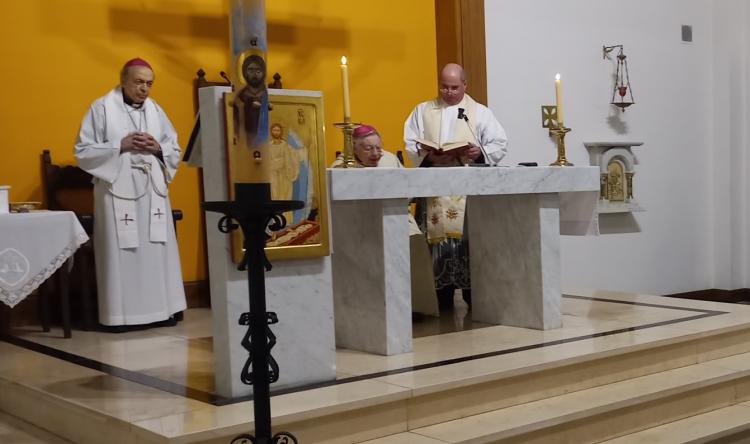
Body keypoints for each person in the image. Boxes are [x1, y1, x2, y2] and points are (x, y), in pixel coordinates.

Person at [74, 58, 186, 329]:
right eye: (138, 82)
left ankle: (162, 310)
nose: (144, 88)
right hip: (117, 191)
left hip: (152, 192)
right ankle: (121, 316)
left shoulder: (156, 110)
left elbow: (174, 148)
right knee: (123, 251)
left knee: (156, 247)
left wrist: (158, 148)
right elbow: (83, 151)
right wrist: (119, 146)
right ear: (123, 80)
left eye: (149, 83)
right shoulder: (101, 108)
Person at [404, 63, 508, 310]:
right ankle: (440, 299)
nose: (448, 92)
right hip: (434, 191)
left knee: (467, 244)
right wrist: (429, 156)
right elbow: (411, 143)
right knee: (437, 245)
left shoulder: (479, 112)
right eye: (443, 86)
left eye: (454, 87)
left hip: (467, 191)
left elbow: (500, 144)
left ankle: (475, 297)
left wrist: (478, 152)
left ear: (465, 85)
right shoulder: (423, 110)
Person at [331, 124, 403, 167]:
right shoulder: (342, 166)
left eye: (378, 148)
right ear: (354, 149)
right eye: (368, 149)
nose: (375, 153)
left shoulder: (390, 160)